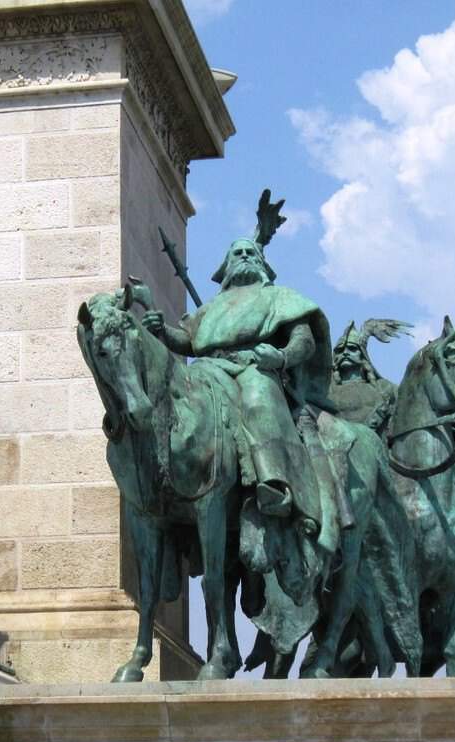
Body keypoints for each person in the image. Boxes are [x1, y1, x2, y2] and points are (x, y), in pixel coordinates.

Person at [140, 198, 349, 565]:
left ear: (261, 261)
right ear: (228, 265)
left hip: (255, 367)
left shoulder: (279, 297)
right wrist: (161, 332)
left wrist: (279, 357)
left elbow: (304, 340)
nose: (244, 256)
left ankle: (273, 484)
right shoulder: (210, 309)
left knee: (258, 400)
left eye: (250, 251)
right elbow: (186, 340)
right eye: (237, 252)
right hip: (209, 371)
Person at [329, 319, 410, 435]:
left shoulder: (386, 387)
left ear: (363, 354)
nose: (345, 353)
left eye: (352, 348)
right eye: (339, 350)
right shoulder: (328, 390)